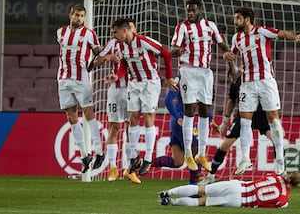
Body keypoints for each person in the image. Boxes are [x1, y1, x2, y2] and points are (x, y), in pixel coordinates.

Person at [224, 7, 300, 175]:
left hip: (266, 81)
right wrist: (228, 57)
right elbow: (232, 54)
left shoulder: (262, 31)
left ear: (247, 19)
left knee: (273, 120)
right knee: (245, 120)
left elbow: (282, 33)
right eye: (235, 18)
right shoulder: (237, 37)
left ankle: (280, 159)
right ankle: (245, 159)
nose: (235, 21)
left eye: (238, 18)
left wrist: (295, 36)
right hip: (247, 83)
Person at [105, 18, 177, 177]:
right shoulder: (121, 46)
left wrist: (168, 77)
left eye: (115, 32)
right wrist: (117, 76)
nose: (114, 36)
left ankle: (148, 158)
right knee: (133, 117)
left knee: (149, 117)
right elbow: (123, 65)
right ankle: (134, 156)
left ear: (124, 31)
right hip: (134, 84)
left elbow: (165, 53)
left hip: (150, 83)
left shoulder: (143, 41)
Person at [170, 0, 236, 172]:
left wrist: (231, 66)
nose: (190, 13)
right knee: (190, 109)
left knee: (205, 110)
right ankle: (188, 155)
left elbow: (223, 45)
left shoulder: (210, 26)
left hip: (205, 72)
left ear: (199, 10)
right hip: (188, 71)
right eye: (188, 11)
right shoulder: (182, 27)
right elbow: (173, 49)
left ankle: (201, 154)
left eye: (193, 10)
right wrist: (179, 50)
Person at [56, 4, 105, 173]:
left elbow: (99, 53)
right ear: (71, 15)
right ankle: (85, 155)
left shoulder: (89, 34)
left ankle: (99, 151)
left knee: (88, 112)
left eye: (82, 16)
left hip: (81, 79)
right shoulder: (60, 32)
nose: (79, 18)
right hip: (63, 79)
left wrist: (90, 66)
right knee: (71, 116)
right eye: (77, 15)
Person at [199, 75, 274, 184]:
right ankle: (211, 175)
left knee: (277, 141)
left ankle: (281, 174)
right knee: (224, 145)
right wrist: (224, 123)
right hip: (243, 116)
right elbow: (231, 101)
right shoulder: (238, 81)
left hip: (262, 115)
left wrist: (274, 119)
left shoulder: (263, 78)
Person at [93, 19, 141, 184]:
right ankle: (113, 168)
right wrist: (106, 57)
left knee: (130, 128)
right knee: (114, 127)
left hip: (132, 90)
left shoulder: (139, 44)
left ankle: (129, 169)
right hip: (115, 91)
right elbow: (95, 61)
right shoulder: (112, 43)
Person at [151, 76, 219, 184]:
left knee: (177, 162)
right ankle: (193, 185)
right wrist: (178, 117)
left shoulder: (198, 78)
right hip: (181, 122)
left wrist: (211, 120)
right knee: (196, 148)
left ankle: (144, 164)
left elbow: (203, 104)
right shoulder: (181, 79)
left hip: (183, 122)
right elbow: (168, 100)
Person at [158, 171, 300, 208]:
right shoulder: (283, 201)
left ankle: (168, 193)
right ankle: (171, 202)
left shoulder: (274, 176)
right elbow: (280, 205)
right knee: (202, 202)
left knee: (201, 189)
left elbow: (268, 179)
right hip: (239, 201)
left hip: (238, 186)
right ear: (296, 186)